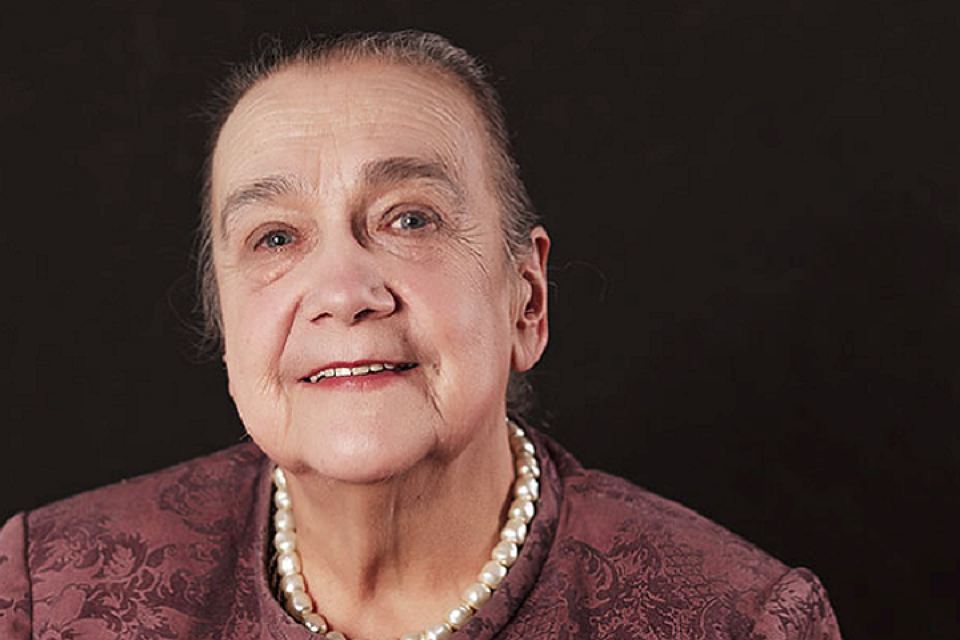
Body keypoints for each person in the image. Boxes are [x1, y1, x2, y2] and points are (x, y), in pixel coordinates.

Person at [0, 31, 842, 639]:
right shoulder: (50, 592)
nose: (343, 293)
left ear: (526, 301)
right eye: (275, 237)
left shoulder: (738, 620)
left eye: (409, 219)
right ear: (227, 325)